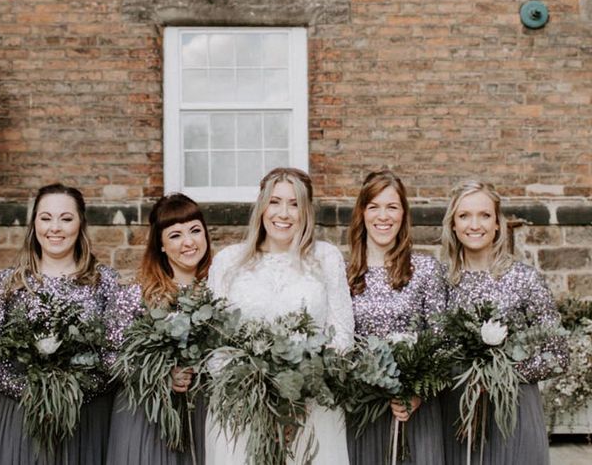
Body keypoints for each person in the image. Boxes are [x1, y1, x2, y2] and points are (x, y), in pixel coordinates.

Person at [0, 183, 138, 465]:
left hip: (85, 418)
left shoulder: (106, 282)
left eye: (66, 218)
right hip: (20, 413)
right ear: (33, 224)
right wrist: (33, 392)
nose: (55, 228)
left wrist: (70, 393)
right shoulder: (9, 282)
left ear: (80, 224)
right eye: (46, 218)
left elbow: (116, 355)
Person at [205, 167, 354, 465]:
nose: (283, 213)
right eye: (275, 201)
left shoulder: (326, 259)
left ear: (306, 212)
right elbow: (214, 341)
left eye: (294, 203)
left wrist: (299, 395)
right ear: (261, 206)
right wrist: (254, 395)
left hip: (310, 411)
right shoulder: (229, 261)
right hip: (243, 410)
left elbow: (343, 336)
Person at [440, 179, 568, 465]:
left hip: (513, 411)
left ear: (498, 223)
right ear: (453, 224)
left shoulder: (523, 278)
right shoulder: (441, 281)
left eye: (484, 215)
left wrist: (502, 375)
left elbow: (559, 353)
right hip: (456, 412)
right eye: (464, 216)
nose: (475, 225)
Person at [346, 169, 446, 465]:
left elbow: (441, 341)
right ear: (362, 213)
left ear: (403, 214)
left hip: (415, 408)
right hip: (364, 410)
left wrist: (416, 393)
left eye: (392, 207)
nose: (383, 216)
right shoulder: (344, 274)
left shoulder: (426, 270)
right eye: (374, 207)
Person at [106, 193, 212, 465]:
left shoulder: (220, 290)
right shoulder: (138, 293)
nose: (189, 242)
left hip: (203, 415)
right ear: (161, 245)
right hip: (147, 420)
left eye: (195, 231)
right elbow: (112, 358)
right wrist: (162, 375)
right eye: (175, 235)